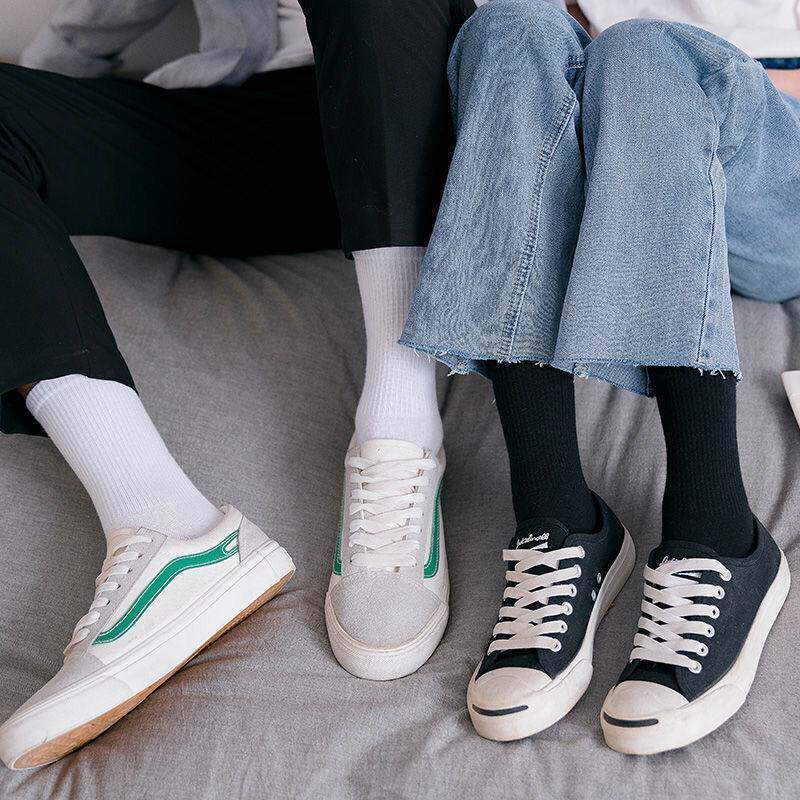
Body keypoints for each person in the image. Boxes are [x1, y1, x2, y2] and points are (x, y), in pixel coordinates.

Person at [0, 0, 475, 769]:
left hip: (441, 127)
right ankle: (165, 527)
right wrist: (47, 90)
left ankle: (400, 426)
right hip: (263, 128)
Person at [400, 0, 798, 753]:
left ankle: (719, 531)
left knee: (650, 54)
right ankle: (559, 517)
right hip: (597, 132)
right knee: (509, 31)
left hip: (764, 155)